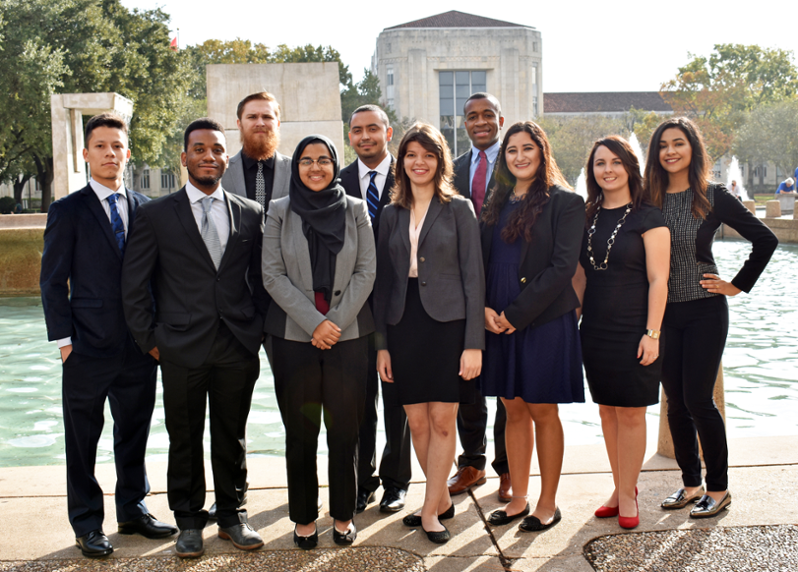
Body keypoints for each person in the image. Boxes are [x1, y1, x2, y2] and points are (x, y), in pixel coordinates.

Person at [122, 118, 267, 557]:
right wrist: (152, 341)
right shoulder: (154, 215)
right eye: (200, 149)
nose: (209, 156)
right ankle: (188, 522)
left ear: (227, 157)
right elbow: (134, 285)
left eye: (218, 150)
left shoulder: (249, 212)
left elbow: (260, 281)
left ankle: (233, 515)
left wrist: (254, 332)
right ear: (184, 158)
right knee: (184, 437)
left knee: (232, 434)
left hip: (236, 345)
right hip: (179, 347)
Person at [40, 112, 177, 558]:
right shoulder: (67, 211)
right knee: (83, 440)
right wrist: (64, 343)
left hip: (139, 347)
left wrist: (157, 336)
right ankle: (86, 522)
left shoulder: (146, 209)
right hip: (85, 347)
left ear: (128, 153)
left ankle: (132, 508)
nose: (109, 154)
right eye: (100, 146)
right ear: (86, 154)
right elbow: (51, 281)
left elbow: (159, 278)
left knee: (133, 432)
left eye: (117, 146)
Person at [644, 117, 778, 518]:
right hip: (663, 313)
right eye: (663, 145)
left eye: (678, 143)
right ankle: (690, 485)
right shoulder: (648, 198)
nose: (670, 151)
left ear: (692, 149)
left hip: (704, 310)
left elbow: (765, 239)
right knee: (675, 404)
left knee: (699, 399)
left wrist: (737, 284)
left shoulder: (712, 195)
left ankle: (718, 489)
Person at [262, 134, 376, 549]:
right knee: (302, 431)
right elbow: (271, 275)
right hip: (294, 337)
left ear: (334, 164)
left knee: (345, 430)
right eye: (306, 161)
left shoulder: (356, 210)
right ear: (296, 168)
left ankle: (343, 515)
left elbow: (367, 271)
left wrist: (335, 323)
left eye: (324, 160)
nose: (315, 168)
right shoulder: (279, 211)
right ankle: (305, 518)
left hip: (348, 337)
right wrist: (314, 323)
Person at [375, 123, 484, 544]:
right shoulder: (389, 214)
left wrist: (474, 343)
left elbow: (475, 279)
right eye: (411, 155)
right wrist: (382, 345)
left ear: (440, 161)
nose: (419, 163)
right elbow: (384, 283)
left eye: (428, 155)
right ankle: (440, 499)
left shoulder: (459, 209)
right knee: (416, 422)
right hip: (404, 325)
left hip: (449, 326)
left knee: (442, 421)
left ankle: (430, 509)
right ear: (401, 162)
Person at [480, 121, 584, 533]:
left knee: (542, 409)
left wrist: (515, 314)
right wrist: (486, 308)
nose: (519, 156)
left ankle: (547, 502)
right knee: (512, 407)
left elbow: (562, 269)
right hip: (496, 315)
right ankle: (519, 497)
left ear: (542, 152)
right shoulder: (495, 200)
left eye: (527, 148)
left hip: (542, 317)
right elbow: (482, 261)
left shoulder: (566, 202)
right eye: (511, 151)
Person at [572, 137, 670, 530]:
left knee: (631, 414)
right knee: (607, 411)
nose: (607, 170)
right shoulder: (586, 214)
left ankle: (628, 493)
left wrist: (653, 333)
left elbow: (658, 279)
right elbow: (580, 275)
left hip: (635, 327)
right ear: (592, 171)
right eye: (599, 163)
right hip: (594, 328)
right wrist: (569, 322)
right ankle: (619, 486)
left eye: (615, 162)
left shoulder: (649, 216)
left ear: (630, 167)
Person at [340, 104, 412, 514]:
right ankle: (362, 480)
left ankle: (396, 482)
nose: (364, 136)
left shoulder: (411, 175)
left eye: (372, 129)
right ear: (350, 136)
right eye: (356, 130)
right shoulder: (339, 181)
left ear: (388, 133)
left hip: (401, 308)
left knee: (397, 400)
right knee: (357, 400)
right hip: (354, 309)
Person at [449, 92, 511, 503]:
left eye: (488, 115)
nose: (481, 122)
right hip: (458, 289)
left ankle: (508, 468)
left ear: (500, 119)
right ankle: (472, 461)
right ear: (464, 124)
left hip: (507, 287)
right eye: (473, 117)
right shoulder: (450, 169)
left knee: (507, 382)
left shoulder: (520, 162)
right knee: (466, 381)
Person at [221, 91, 291, 206]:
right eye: (252, 117)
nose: (260, 123)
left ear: (278, 124)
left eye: (267, 117)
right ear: (239, 124)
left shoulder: (296, 171)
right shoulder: (222, 172)